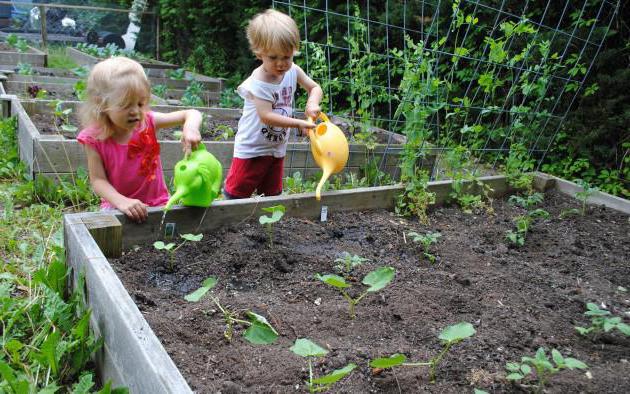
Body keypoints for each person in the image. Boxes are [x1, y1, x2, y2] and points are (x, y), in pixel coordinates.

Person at [77, 56, 202, 223]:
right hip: (118, 206)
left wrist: (190, 128)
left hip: (158, 203)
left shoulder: (148, 122)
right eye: (126, 105)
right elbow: (98, 180)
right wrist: (122, 201)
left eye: (141, 103)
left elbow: (191, 113)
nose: (135, 111)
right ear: (102, 104)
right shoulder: (94, 138)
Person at [223, 8, 323, 199]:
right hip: (252, 149)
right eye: (273, 57)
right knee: (236, 195)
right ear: (259, 53)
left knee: (272, 195)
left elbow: (315, 88)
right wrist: (300, 123)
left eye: (286, 57)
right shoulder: (258, 82)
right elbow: (266, 116)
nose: (281, 64)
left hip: (276, 147)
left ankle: (268, 227)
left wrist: (312, 103)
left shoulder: (293, 70)